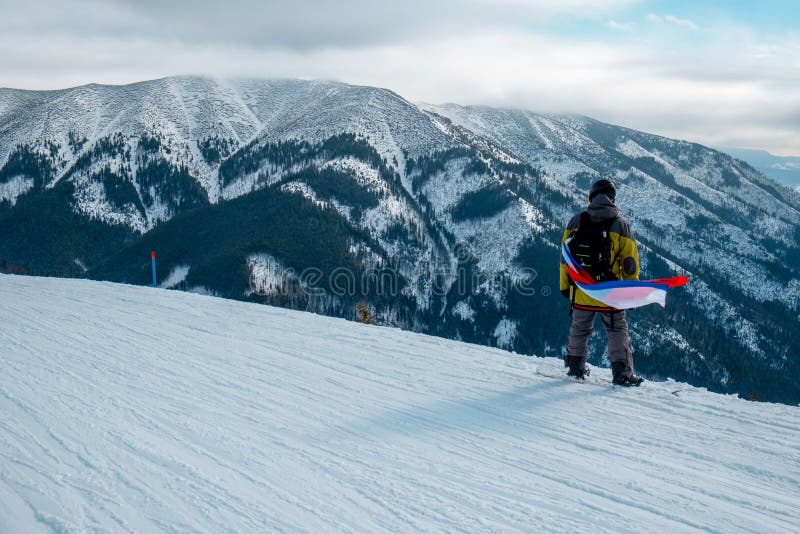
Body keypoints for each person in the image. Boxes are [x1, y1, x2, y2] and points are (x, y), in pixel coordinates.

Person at [559, 179, 644, 386]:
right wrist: (630, 293)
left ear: (591, 196)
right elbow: (630, 265)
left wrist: (565, 286)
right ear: (612, 198)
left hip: (582, 290)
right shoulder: (621, 226)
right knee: (616, 331)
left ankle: (575, 367)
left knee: (580, 329)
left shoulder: (575, 222)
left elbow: (565, 259)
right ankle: (622, 373)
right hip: (610, 293)